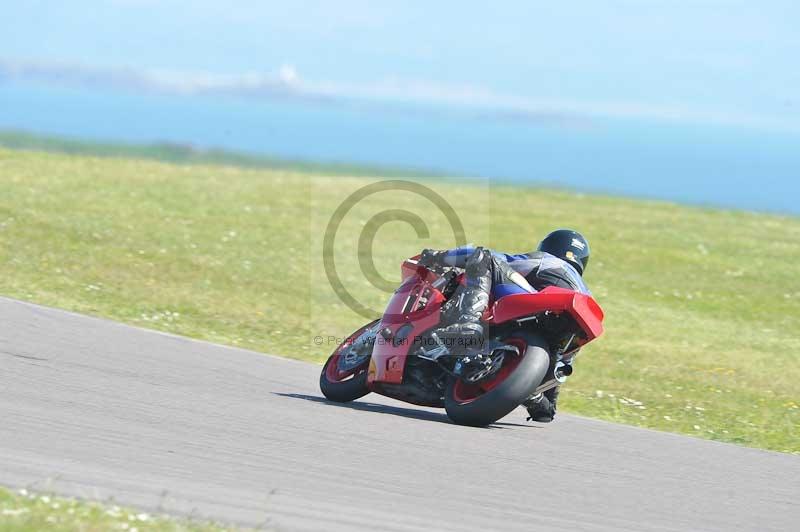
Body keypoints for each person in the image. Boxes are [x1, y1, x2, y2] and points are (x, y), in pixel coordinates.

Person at [418, 229, 592, 423]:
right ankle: (538, 398)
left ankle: (468, 326)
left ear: (550, 246)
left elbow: (501, 259)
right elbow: (563, 361)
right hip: (562, 332)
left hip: (534, 306)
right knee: (559, 357)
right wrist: (547, 403)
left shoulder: (548, 260)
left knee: (483, 257)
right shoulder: (585, 292)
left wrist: (437, 257)